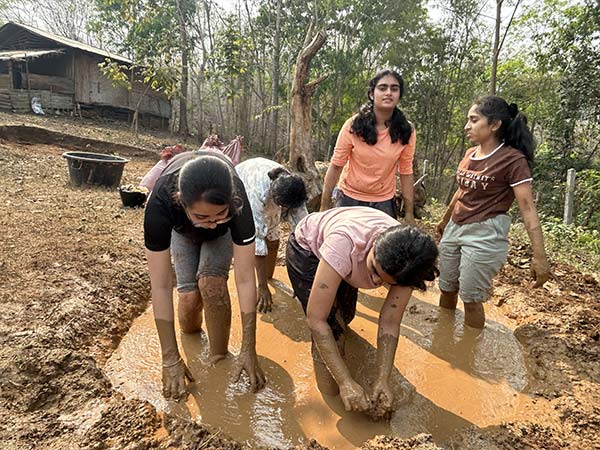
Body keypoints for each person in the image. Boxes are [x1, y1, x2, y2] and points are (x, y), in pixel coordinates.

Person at [286, 206, 438, 414]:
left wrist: (383, 379)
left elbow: (390, 322)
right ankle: (328, 396)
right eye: (375, 271)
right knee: (332, 326)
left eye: (385, 281)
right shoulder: (343, 243)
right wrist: (345, 381)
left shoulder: (409, 263)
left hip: (353, 260)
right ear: (374, 245)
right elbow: (316, 320)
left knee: (346, 316)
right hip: (308, 249)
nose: (374, 282)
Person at [144, 150, 266, 400]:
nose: (211, 222)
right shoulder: (161, 203)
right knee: (188, 301)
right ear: (180, 201)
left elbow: (244, 278)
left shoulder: (239, 205)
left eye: (219, 214)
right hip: (182, 233)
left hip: (223, 238)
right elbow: (161, 286)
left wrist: (248, 348)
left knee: (211, 285)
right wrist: (169, 359)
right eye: (202, 216)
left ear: (231, 202)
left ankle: (219, 357)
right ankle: (187, 349)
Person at [436, 95, 551, 329]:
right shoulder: (470, 154)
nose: (467, 126)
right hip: (455, 227)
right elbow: (461, 191)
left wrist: (539, 256)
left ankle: (470, 353)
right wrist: (444, 220)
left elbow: (527, 208)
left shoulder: (513, 160)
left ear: (495, 124)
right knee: (446, 287)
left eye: (474, 120)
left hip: (485, 233)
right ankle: (442, 338)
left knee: (471, 297)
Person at [320, 69, 416, 223]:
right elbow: (336, 165)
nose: (388, 93)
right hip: (349, 197)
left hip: (383, 201)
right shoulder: (353, 125)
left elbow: (406, 171)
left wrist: (409, 213)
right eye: (383, 88)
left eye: (394, 89)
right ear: (372, 94)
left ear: (399, 95)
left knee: (382, 246)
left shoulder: (406, 130)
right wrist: (324, 206)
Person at [236, 157, 308, 313]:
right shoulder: (258, 192)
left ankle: (269, 277)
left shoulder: (292, 187)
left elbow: (305, 231)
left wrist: (302, 282)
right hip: (242, 189)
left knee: (274, 240)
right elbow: (258, 241)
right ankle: (263, 283)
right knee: (261, 240)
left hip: (273, 195)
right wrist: (262, 288)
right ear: (278, 202)